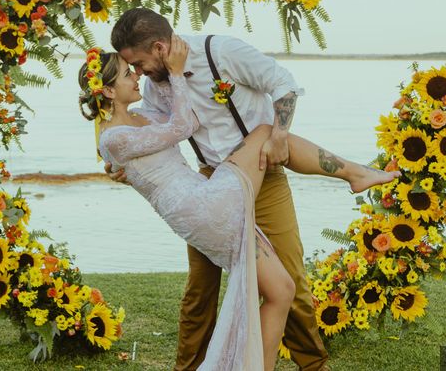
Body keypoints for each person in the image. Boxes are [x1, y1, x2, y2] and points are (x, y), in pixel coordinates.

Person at [83, 29, 399, 370]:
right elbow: (174, 126)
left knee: (284, 287)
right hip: (206, 197)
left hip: (233, 185)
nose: (138, 73)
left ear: (159, 48)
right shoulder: (144, 101)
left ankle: (309, 363)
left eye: (137, 64)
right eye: (130, 70)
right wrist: (173, 77)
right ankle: (354, 174)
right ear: (110, 90)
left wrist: (122, 165)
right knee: (201, 291)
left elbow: (281, 83)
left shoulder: (211, 59)